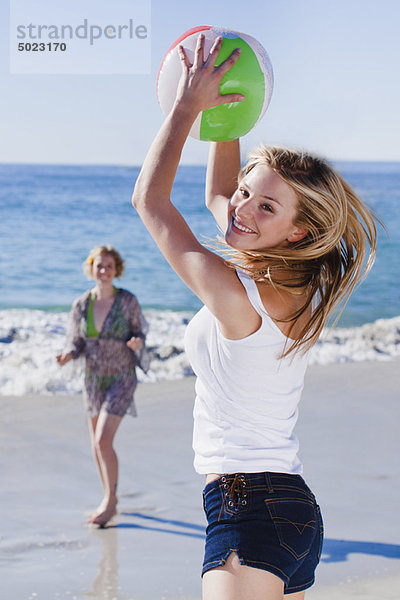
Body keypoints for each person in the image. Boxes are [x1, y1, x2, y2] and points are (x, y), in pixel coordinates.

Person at [132, 34, 377, 600]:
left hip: (250, 511)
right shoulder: (295, 282)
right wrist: (226, 114)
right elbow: (222, 196)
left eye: (265, 205)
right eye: (246, 193)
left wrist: (186, 108)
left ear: (299, 230)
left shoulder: (238, 294)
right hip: (289, 512)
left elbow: (150, 203)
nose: (240, 209)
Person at [56, 245, 149, 526]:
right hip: (93, 378)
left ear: (116, 269)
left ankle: (110, 503)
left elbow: (140, 331)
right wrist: (68, 354)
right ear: (91, 268)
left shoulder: (127, 301)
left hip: (121, 376)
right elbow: (76, 341)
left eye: (109, 265)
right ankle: (109, 496)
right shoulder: (82, 303)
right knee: (96, 445)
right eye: (99, 265)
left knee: (102, 440)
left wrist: (137, 342)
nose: (104, 270)